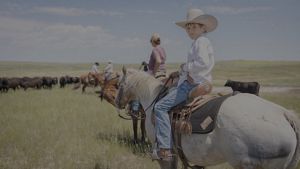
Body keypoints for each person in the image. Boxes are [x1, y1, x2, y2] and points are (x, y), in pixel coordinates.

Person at [152, 8, 217, 161]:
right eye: (188, 27)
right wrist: (179, 72)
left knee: (159, 107)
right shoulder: (200, 42)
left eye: (194, 26)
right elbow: (198, 65)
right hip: (199, 80)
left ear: (203, 28)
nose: (190, 30)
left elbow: (202, 63)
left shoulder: (200, 42)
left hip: (192, 85)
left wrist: (184, 67)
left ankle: (164, 149)